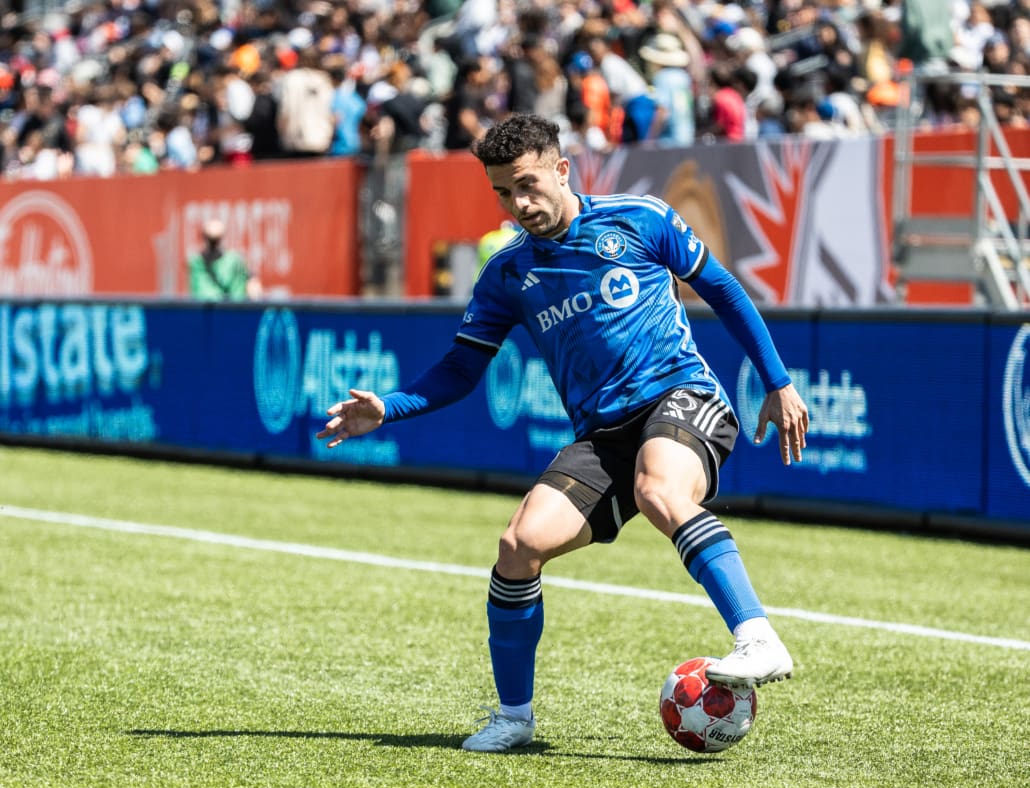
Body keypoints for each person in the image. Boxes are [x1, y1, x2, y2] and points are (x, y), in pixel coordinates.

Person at [317, 113, 808, 753]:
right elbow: (462, 369)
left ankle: (758, 637)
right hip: (603, 434)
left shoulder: (640, 218)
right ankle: (514, 719)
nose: (519, 204)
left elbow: (723, 290)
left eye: (527, 185)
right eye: (502, 192)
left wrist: (777, 380)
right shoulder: (507, 274)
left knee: (662, 491)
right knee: (518, 545)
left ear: (561, 169)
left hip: (683, 397)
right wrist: (390, 407)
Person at [187, 219, 262, 301]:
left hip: (230, 310)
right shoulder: (196, 262)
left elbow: (251, 281)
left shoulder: (233, 260)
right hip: (206, 310)